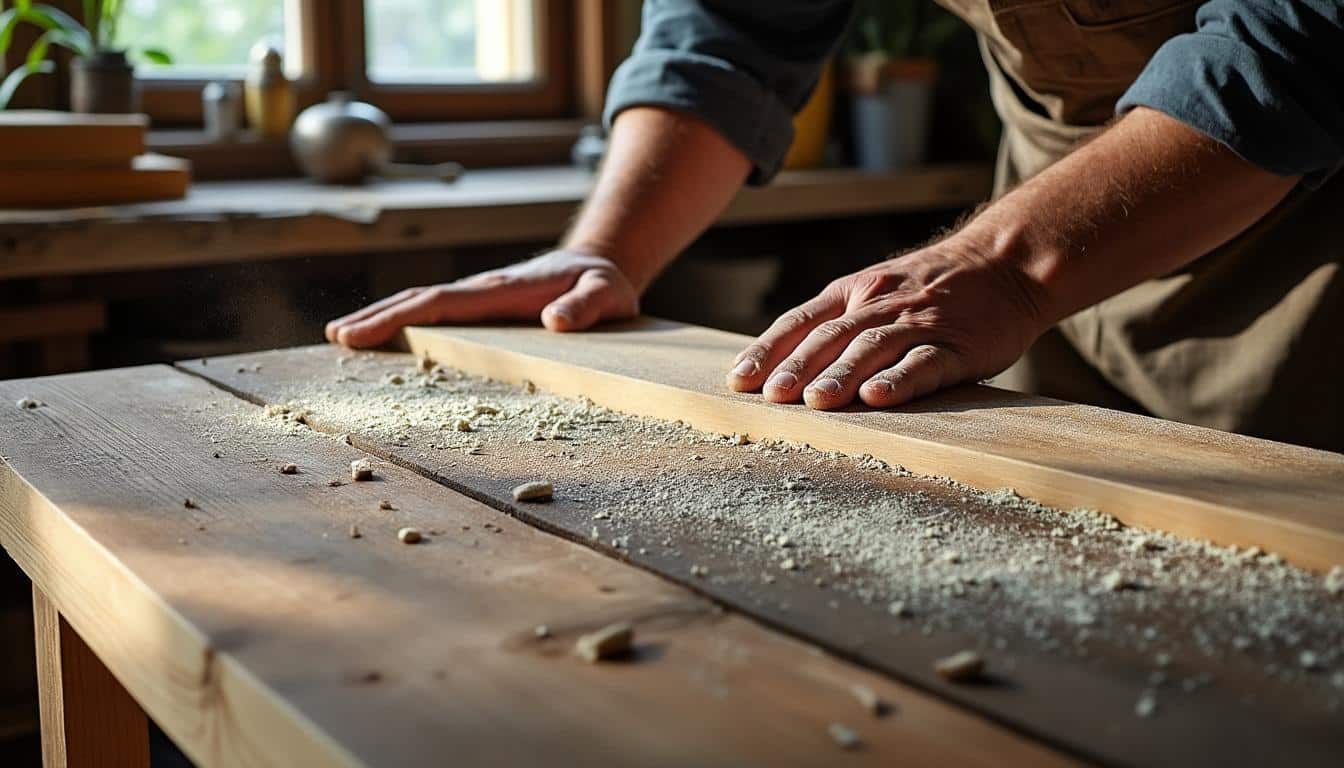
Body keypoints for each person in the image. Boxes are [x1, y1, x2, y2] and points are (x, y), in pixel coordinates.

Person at [327, 1, 1344, 452]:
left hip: (1308, 239)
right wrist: (604, 249)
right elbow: (729, 28)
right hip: (1048, 245)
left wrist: (1001, 265)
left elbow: (1298, 41)